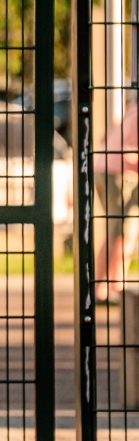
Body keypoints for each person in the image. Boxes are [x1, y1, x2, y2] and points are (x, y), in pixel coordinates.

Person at [94, 99, 139, 303]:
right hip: (120, 172)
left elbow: (105, 137)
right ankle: (103, 288)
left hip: (104, 167)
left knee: (121, 231)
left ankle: (113, 286)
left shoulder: (132, 109)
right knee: (119, 232)